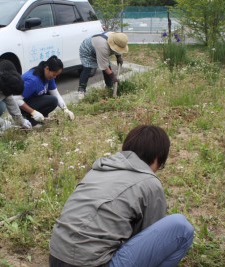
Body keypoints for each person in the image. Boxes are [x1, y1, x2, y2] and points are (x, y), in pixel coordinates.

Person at [49, 125, 194, 267]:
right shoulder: (149, 182)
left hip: (56, 257)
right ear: (157, 157)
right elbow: (151, 236)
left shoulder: (99, 169)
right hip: (91, 263)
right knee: (181, 227)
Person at [13, 56, 74, 128]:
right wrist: (33, 112)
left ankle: (39, 119)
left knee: (52, 98)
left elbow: (56, 94)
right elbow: (15, 99)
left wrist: (65, 109)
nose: (55, 77)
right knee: (52, 100)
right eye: (54, 74)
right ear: (47, 68)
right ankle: (28, 119)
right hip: (20, 107)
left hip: (32, 101)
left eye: (56, 75)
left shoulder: (48, 76)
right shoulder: (33, 80)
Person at [78, 32, 129, 99]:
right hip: (88, 50)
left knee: (108, 68)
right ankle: (81, 90)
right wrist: (113, 77)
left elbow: (117, 48)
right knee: (87, 69)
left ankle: (109, 86)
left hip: (100, 48)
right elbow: (104, 66)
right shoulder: (103, 46)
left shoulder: (117, 38)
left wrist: (118, 57)